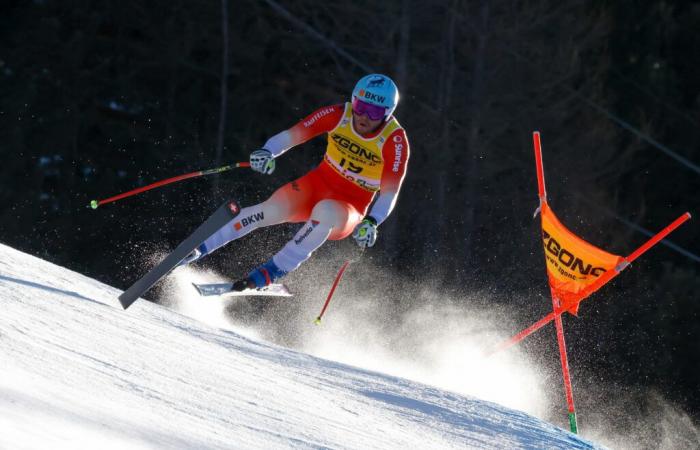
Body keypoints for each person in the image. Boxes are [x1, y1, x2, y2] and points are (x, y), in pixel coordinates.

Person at [182, 74, 410, 291]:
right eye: (361, 107)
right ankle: (198, 248)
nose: (364, 117)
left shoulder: (395, 141)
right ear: (353, 101)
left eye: (374, 112)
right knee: (268, 211)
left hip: (349, 206)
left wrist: (372, 221)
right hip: (317, 185)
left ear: (388, 114)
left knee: (326, 212)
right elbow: (293, 135)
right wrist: (267, 151)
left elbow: (390, 193)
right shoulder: (340, 114)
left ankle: (273, 270)